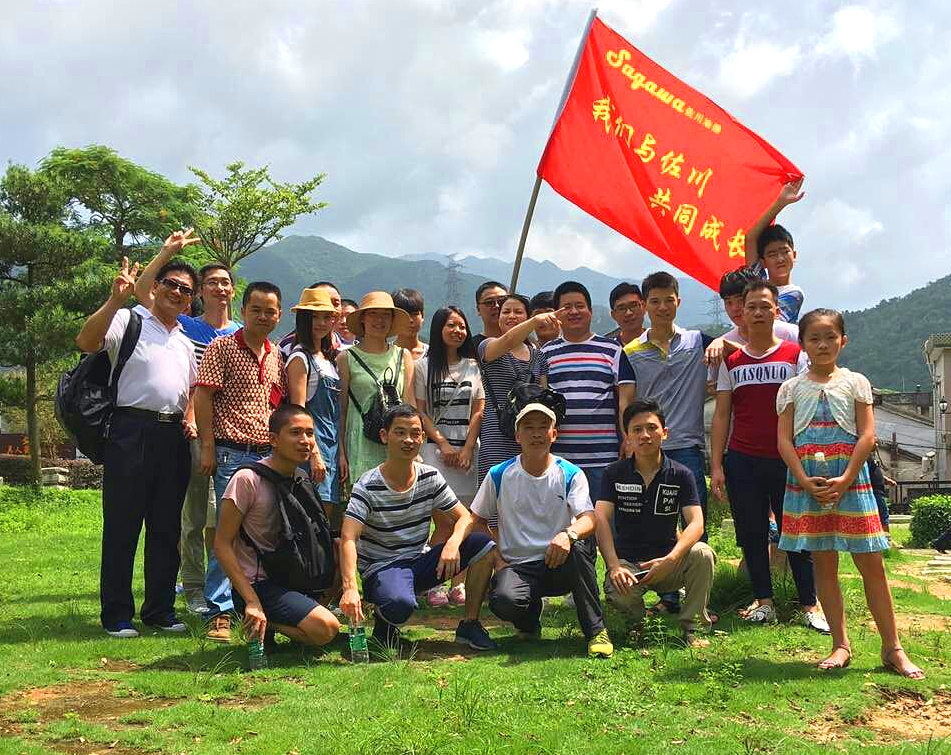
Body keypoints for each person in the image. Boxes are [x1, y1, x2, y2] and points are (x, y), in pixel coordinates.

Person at [776, 309, 923, 678]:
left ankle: (893, 647)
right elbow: (783, 439)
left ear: (843, 340)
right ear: (803, 344)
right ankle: (840, 644)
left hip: (852, 482)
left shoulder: (856, 382)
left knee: (871, 564)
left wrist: (847, 477)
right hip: (808, 483)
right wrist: (802, 478)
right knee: (824, 563)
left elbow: (867, 434)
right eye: (814, 338)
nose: (822, 344)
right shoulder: (791, 388)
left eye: (830, 337)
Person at [75, 250, 198, 637]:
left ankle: (159, 610)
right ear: (156, 287)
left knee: (166, 528)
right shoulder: (129, 319)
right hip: (130, 430)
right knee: (122, 526)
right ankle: (116, 615)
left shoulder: (185, 338)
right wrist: (116, 299)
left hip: (173, 435)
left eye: (186, 290)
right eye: (171, 285)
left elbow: (192, 388)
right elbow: (86, 340)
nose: (178, 293)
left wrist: (191, 415)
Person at [710, 281, 828, 631]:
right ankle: (764, 601)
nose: (758, 313)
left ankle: (810, 603)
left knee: (796, 532)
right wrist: (717, 465)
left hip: (787, 460)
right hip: (743, 459)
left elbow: (809, 406)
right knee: (752, 532)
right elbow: (721, 415)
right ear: (742, 313)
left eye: (765, 306)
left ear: (776, 311)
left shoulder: (795, 355)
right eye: (751, 307)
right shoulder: (731, 362)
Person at [134, 234, 241, 616]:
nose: (219, 287)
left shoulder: (242, 333)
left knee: (226, 517)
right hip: (193, 433)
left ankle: (229, 588)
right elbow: (143, 290)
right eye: (211, 282)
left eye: (225, 282)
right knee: (192, 517)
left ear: (233, 290)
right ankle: (194, 587)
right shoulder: (184, 326)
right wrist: (169, 253)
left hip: (235, 438)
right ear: (201, 292)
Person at [339, 405, 498, 651]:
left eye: (415, 433)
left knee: (483, 545)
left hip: (419, 561)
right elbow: (348, 537)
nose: (408, 440)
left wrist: (453, 543)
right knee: (400, 604)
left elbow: (465, 517)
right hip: (382, 568)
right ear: (384, 436)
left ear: (423, 438)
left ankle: (470, 625)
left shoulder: (430, 477)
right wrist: (350, 588)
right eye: (400, 433)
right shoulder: (367, 485)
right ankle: (385, 626)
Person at [471, 403, 614, 658]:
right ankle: (528, 621)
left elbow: (589, 518)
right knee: (504, 601)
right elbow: (477, 520)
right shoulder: (499, 474)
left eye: (543, 427)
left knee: (581, 545)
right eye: (528, 427)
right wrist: (497, 555)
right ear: (517, 436)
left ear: (554, 434)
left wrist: (568, 535)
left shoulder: (570, 473)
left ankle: (596, 631)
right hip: (518, 565)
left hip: (559, 560)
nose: (536, 434)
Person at [195, 281, 287, 641]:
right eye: (257, 309)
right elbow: (203, 397)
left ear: (278, 314)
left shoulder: (275, 353)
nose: (263, 316)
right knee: (226, 533)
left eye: (270, 311)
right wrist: (207, 446)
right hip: (231, 451)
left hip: (266, 454)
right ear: (243, 310)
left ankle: (256, 600)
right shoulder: (223, 347)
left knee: (262, 532)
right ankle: (219, 611)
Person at [622, 271, 714, 629]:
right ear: (645, 306)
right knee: (652, 523)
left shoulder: (697, 341)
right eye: (655, 301)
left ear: (679, 301)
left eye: (668, 299)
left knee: (694, 528)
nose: (662, 307)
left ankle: (698, 604)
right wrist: (629, 442)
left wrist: (721, 344)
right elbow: (625, 402)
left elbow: (744, 348)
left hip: (687, 445)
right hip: (646, 448)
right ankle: (665, 596)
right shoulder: (630, 351)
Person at [213, 405, 340, 650]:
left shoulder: (300, 478)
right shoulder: (247, 480)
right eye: (295, 433)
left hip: (294, 574)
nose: (305, 441)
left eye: (310, 433)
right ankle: (260, 617)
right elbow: (221, 545)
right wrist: (251, 600)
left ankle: (288, 618)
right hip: (258, 583)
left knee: (340, 551)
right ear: (273, 439)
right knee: (327, 629)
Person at [595, 399, 715, 647]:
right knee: (619, 594)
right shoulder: (614, 473)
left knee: (703, 553)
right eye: (637, 430)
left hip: (669, 562)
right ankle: (637, 625)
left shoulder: (681, 474)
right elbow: (601, 520)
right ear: (627, 437)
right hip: (630, 565)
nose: (645, 435)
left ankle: (694, 628)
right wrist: (614, 565)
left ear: (665, 433)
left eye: (651, 428)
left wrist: (671, 559)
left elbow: (696, 523)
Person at [414, 306, 485, 607]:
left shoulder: (473, 365)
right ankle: (434, 583)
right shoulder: (423, 365)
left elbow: (478, 409)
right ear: (438, 329)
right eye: (451, 326)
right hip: (435, 453)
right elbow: (421, 411)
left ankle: (459, 585)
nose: (457, 331)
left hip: (468, 454)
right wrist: (443, 445)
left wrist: (467, 447)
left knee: (465, 521)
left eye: (461, 326)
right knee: (443, 523)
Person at [542, 281, 634, 503]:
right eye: (566, 307)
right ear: (557, 315)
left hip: (603, 457)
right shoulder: (546, 353)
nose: (574, 312)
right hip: (559, 458)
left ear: (591, 311)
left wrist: (628, 439)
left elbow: (625, 402)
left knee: (604, 523)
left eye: (580, 305)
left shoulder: (612, 350)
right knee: (563, 526)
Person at [337, 292, 416, 485]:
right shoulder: (346, 358)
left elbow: (410, 406)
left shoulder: (403, 356)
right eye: (373, 314)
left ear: (392, 320)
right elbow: (341, 412)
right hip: (360, 445)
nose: (379, 320)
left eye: (385, 315)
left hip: (395, 443)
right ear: (363, 318)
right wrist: (341, 453)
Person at [477, 294, 554, 486]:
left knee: (530, 493)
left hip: (531, 434)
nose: (511, 316)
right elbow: (509, 340)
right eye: (506, 312)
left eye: (518, 312)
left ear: (526, 317)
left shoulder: (539, 356)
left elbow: (544, 399)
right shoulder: (487, 346)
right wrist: (535, 321)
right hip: (496, 433)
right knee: (495, 491)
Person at [286, 287, 342, 527]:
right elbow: (298, 411)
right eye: (314, 317)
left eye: (326, 317)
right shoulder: (300, 358)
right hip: (313, 447)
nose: (321, 323)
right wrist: (315, 454)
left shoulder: (327, 358)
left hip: (331, 445)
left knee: (326, 519)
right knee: (311, 519)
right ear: (303, 320)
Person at [744, 180, 806, 324]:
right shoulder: (757, 282)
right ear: (762, 262)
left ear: (794, 255)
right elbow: (750, 238)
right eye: (772, 254)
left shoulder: (794, 294)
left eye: (785, 252)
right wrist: (780, 203)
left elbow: (770, 323)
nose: (780, 259)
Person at [279, 281, 343, 356]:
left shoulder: (342, 341)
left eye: (336, 303)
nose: (330, 309)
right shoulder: (288, 347)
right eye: (315, 316)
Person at [392, 288, 428, 360]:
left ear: (422, 316)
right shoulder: (386, 354)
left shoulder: (432, 355)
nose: (410, 320)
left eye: (414, 314)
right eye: (404, 315)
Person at [606, 282, 645, 347]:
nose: (628, 313)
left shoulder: (660, 343)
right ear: (613, 315)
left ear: (644, 306)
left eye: (633, 306)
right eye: (621, 308)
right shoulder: (608, 350)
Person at [472, 281, 508, 349]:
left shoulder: (526, 343)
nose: (497, 305)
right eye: (489, 302)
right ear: (478, 310)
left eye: (502, 301)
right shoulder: (472, 347)